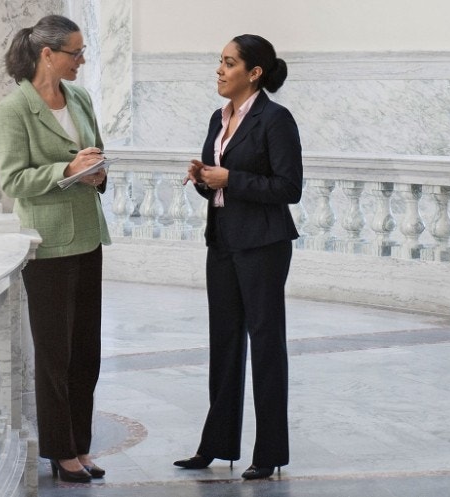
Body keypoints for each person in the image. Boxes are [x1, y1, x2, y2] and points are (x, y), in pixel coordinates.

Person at [174, 34, 302, 481]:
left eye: (229, 63)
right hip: (223, 241)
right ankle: (216, 445)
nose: (219, 70)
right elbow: (223, 182)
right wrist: (207, 179)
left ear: (254, 73)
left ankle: (268, 453)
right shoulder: (218, 117)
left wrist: (232, 177)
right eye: (219, 62)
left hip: (264, 246)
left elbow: (289, 188)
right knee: (224, 343)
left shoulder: (275, 119)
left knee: (266, 346)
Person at [0, 14, 111, 484]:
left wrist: (97, 169)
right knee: (55, 353)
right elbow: (12, 179)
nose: (82, 60)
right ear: (47, 54)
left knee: (88, 351)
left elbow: (95, 150)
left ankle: (80, 446)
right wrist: (65, 172)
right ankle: (60, 453)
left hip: (88, 236)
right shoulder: (15, 109)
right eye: (75, 53)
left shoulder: (79, 97)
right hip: (48, 246)